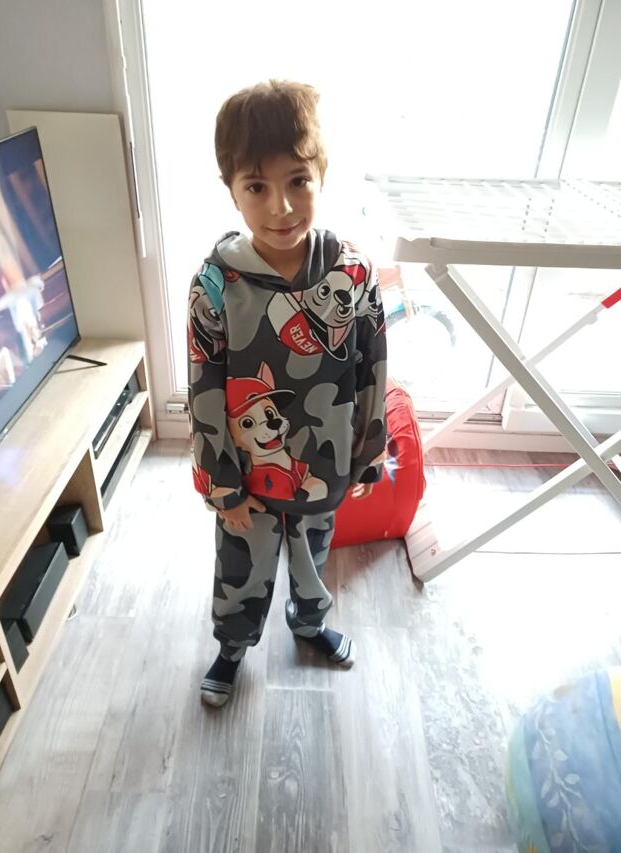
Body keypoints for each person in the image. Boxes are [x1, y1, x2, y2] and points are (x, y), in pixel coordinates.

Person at [187, 80, 387, 707]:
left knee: (314, 554)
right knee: (241, 564)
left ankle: (309, 623)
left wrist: (368, 452)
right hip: (246, 473)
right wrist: (220, 482)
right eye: (257, 187)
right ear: (232, 190)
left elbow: (373, 366)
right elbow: (204, 387)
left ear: (322, 175)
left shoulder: (352, 272)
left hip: (323, 462)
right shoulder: (216, 286)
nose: (281, 206)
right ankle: (232, 645)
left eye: (298, 181)